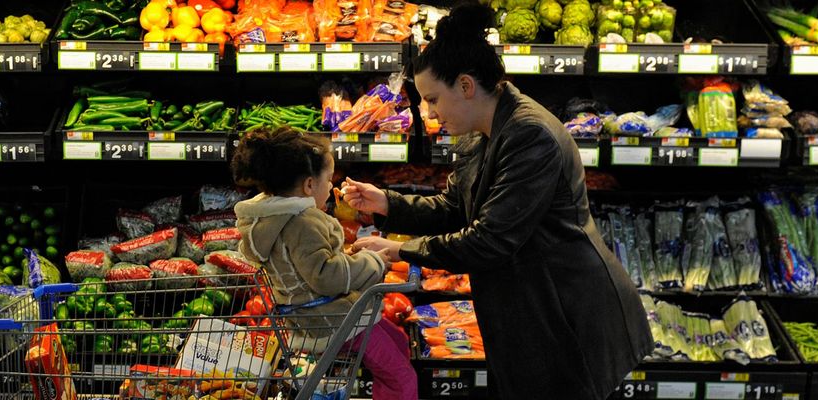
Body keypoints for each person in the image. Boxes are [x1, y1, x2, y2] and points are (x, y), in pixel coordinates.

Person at [344, 4, 652, 399]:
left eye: (433, 99)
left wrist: (402, 249)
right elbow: (456, 207)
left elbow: (490, 239)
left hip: (565, 310)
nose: (430, 113)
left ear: (466, 86)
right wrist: (387, 203)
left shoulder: (530, 135)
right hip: (530, 304)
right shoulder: (482, 129)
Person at [230, 127, 418, 400]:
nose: (332, 186)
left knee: (400, 342)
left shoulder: (275, 219)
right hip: (331, 321)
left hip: (320, 315)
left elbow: (309, 266)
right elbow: (324, 276)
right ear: (309, 185)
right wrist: (372, 262)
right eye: (329, 179)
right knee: (401, 377)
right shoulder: (303, 222)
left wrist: (350, 258)